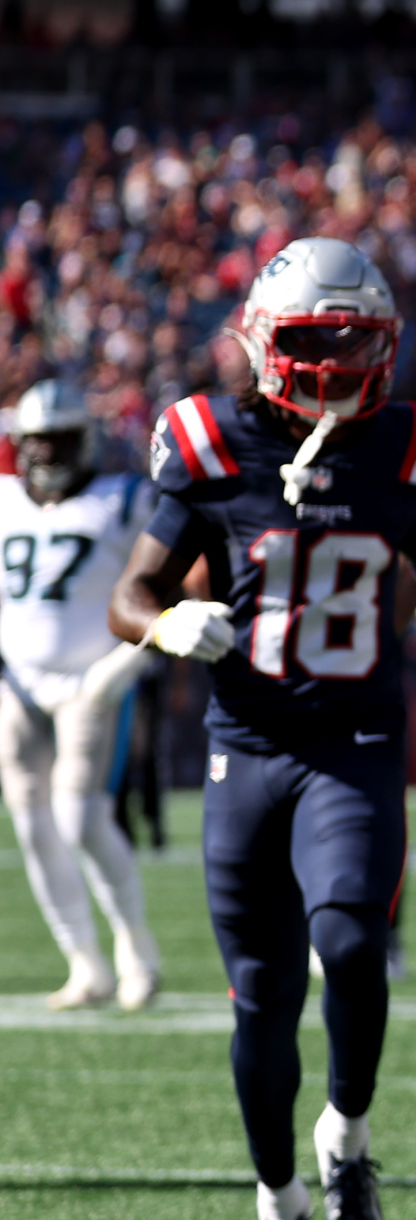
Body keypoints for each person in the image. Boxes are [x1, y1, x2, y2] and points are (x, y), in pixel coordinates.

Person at [108, 237, 416, 1220]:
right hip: (247, 746)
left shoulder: (410, 445)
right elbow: (131, 594)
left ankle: (347, 1137)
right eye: (317, 339)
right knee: (263, 1002)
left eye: (356, 340)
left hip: (354, 742)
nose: (336, 361)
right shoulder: (209, 441)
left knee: (353, 943)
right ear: (265, 342)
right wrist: (167, 622)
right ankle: (278, 1209)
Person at [0, 379, 160, 1011]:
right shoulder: (6, 501)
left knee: (79, 815)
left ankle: (136, 950)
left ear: (84, 440)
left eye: (60, 439)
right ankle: (84, 963)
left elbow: (165, 586)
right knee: (31, 822)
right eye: (38, 440)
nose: (47, 452)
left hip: (91, 679)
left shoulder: (124, 500)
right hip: (16, 679)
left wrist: (129, 663)